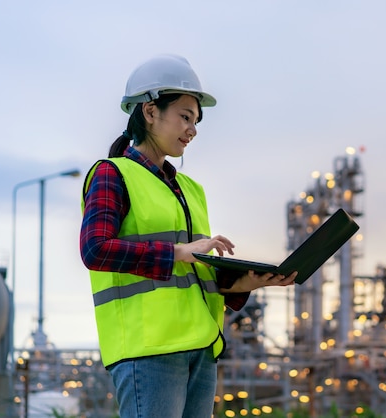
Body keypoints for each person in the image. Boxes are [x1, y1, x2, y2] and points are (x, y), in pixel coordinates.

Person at [80, 54, 297, 418]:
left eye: (195, 120)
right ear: (150, 112)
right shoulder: (111, 174)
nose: (192, 129)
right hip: (148, 352)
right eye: (184, 116)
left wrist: (246, 284)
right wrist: (179, 252)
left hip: (201, 349)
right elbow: (95, 249)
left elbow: (194, 276)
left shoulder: (191, 189)